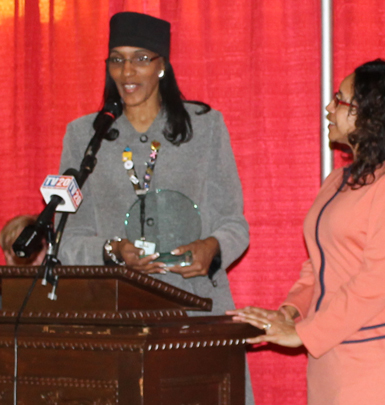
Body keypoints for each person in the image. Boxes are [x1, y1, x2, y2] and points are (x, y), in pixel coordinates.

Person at [57, 11, 253, 403]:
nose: (127, 70)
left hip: (197, 311)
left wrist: (212, 249)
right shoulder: (85, 135)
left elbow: (234, 223)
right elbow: (68, 239)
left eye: (141, 58)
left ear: (162, 65)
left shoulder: (205, 127)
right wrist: (112, 251)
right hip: (119, 318)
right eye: (117, 58)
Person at [228, 59, 385, 405]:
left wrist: (304, 334)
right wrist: (290, 313)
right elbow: (318, 265)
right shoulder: (337, 181)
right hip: (332, 346)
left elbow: (380, 278)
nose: (329, 107)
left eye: (339, 99)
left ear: (371, 113)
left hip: (382, 348)